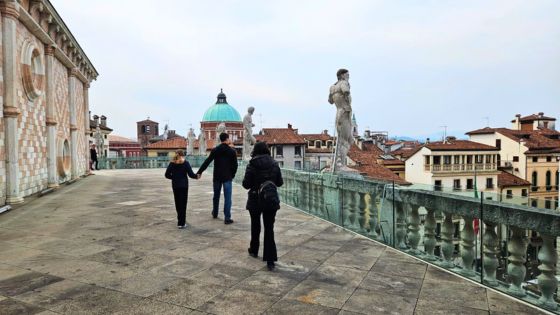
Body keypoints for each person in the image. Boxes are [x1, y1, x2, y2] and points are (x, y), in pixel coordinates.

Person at [242, 141, 283, 270]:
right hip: (270, 199)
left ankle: (254, 249)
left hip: (255, 198)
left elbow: (246, 184)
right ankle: (270, 260)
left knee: (255, 225)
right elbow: (280, 182)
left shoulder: (252, 164)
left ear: (255, 150)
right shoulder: (274, 163)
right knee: (269, 228)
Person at [197, 132, 238, 224]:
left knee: (216, 196)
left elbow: (207, 161)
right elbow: (235, 165)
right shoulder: (232, 151)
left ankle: (215, 213)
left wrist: (199, 172)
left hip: (217, 177)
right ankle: (227, 218)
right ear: (227, 139)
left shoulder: (215, 150)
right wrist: (232, 175)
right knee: (228, 198)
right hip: (227, 177)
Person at [165, 149, 199, 229]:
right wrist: (197, 176)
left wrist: (174, 178)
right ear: (183, 155)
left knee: (177, 203)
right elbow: (191, 174)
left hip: (176, 185)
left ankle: (180, 221)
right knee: (183, 204)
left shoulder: (172, 163)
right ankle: (182, 222)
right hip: (184, 186)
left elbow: (166, 175)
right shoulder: (186, 163)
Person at [328, 68, 354, 172]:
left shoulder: (332, 87)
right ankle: (341, 165)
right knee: (346, 140)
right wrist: (347, 101)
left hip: (338, 113)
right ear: (342, 76)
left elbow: (330, 101)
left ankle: (336, 164)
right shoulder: (344, 83)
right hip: (345, 112)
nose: (348, 77)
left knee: (343, 139)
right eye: (347, 75)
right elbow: (346, 92)